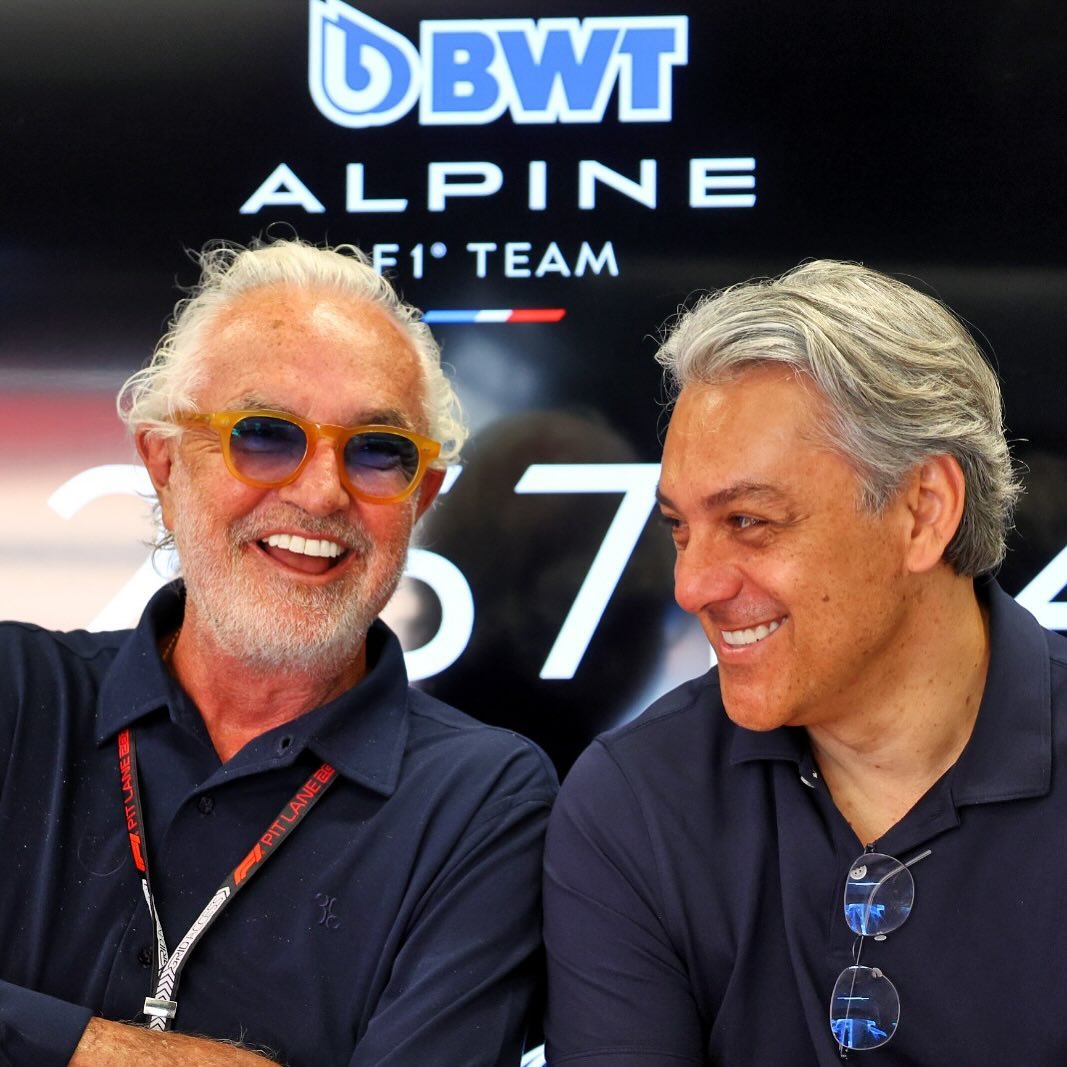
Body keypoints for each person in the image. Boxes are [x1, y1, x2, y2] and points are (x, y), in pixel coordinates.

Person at [0, 238, 557, 1067]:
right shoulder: (16, 693)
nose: (322, 490)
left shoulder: (483, 800)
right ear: (162, 460)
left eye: (378, 450)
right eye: (265, 435)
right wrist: (112, 1051)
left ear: (422, 496)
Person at [542, 260, 1067, 1064]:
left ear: (923, 511)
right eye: (680, 527)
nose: (692, 585)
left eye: (749, 520)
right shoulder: (637, 800)